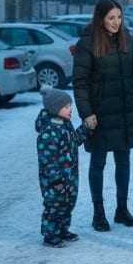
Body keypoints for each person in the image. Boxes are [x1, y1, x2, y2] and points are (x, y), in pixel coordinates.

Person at [72, 0, 133, 231]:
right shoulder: (88, 42)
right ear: (100, 18)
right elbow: (80, 82)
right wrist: (87, 113)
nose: (116, 22)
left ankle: (122, 210)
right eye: (111, 18)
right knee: (98, 162)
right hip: (100, 114)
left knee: (123, 161)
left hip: (124, 111)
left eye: (119, 17)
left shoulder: (127, 38)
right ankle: (99, 212)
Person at [35, 86, 91, 248]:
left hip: (70, 175)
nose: (70, 109)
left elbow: (74, 141)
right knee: (54, 205)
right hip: (55, 179)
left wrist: (86, 129)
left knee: (68, 204)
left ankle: (62, 229)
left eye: (70, 106)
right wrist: (55, 179)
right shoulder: (48, 132)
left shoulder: (65, 125)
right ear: (54, 108)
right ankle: (50, 235)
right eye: (66, 107)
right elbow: (47, 160)